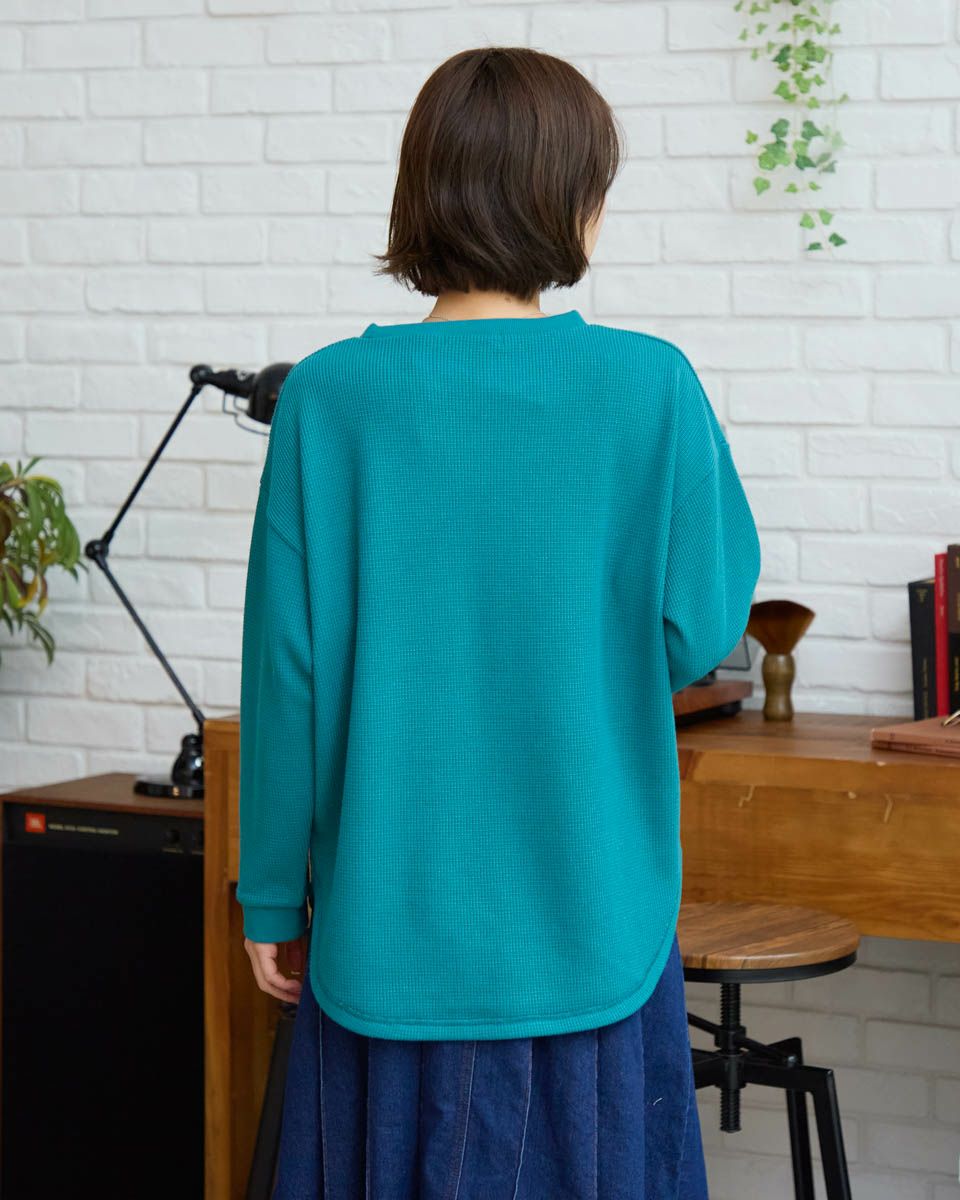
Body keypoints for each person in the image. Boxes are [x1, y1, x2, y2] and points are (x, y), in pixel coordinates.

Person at [238, 45, 761, 1200]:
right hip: (591, 920)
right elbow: (699, 624)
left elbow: (287, 676)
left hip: (386, 929)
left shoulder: (327, 397)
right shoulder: (651, 386)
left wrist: (271, 892)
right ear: (571, 200)